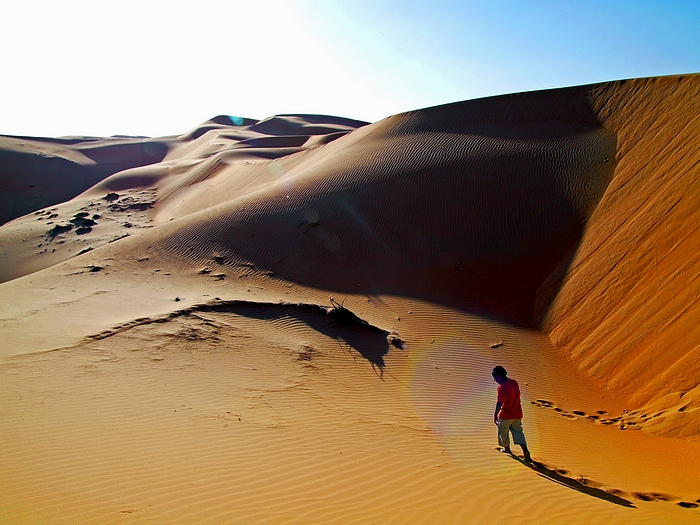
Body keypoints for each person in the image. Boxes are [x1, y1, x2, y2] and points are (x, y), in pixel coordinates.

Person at [492, 365, 532, 462]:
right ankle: (526, 451)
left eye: (495, 378)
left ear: (499, 376)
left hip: (506, 415)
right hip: (517, 413)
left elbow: (500, 402)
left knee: (503, 432)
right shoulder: (514, 382)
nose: (495, 381)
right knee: (518, 433)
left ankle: (507, 449)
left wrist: (495, 414)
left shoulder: (502, 388)